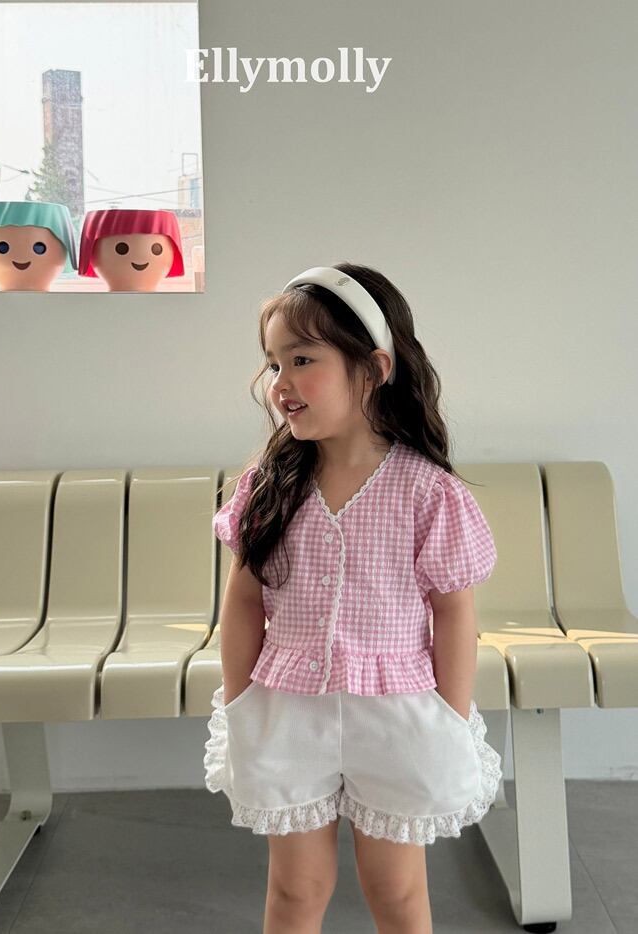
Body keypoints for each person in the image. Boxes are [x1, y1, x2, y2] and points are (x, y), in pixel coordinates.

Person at [204, 263, 502, 934]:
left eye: (302, 360)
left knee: (395, 892)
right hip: (287, 709)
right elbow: (243, 601)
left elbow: (454, 611)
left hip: (397, 713)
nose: (280, 383)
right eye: (274, 364)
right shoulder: (270, 486)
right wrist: (242, 703)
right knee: (295, 890)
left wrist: (449, 718)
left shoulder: (427, 492)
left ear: (372, 368)